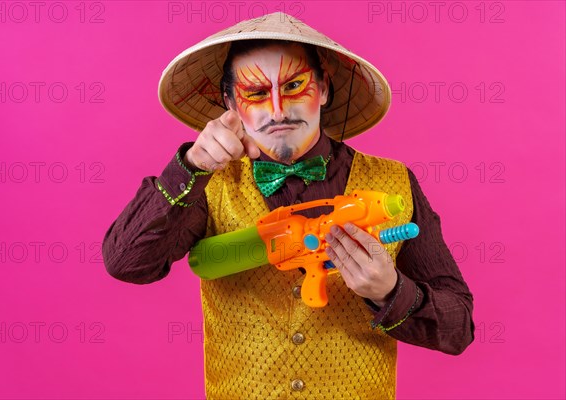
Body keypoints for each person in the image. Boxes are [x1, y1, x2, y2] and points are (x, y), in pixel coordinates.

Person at [102, 12, 474, 399]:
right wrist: (191, 168)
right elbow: (127, 263)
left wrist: (391, 291)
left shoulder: (393, 182)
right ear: (230, 103)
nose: (278, 110)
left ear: (324, 86)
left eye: (295, 86)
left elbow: (458, 327)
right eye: (256, 93)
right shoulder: (207, 185)